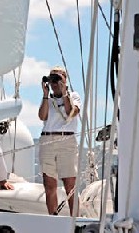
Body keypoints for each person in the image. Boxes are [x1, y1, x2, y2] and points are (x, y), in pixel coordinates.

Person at [38, 66, 81, 216]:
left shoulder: (74, 96)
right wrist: (45, 94)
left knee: (70, 184)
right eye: (52, 79)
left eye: (58, 79)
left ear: (65, 79)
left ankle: (75, 220)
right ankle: (52, 220)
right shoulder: (48, 101)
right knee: (49, 185)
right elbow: (42, 117)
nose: (54, 82)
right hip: (47, 139)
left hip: (66, 141)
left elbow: (72, 112)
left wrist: (64, 93)